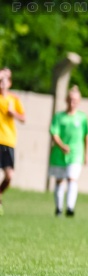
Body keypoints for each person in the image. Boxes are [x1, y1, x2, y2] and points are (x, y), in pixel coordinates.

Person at [48, 85, 88, 217]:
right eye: (70, 99)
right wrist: (61, 146)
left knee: (72, 179)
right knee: (60, 180)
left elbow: (86, 136)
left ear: (79, 101)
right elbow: (54, 133)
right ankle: (59, 208)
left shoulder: (82, 118)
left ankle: (70, 208)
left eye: (75, 100)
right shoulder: (59, 117)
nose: (72, 103)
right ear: (66, 100)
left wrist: (86, 154)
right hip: (59, 153)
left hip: (76, 153)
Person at [0, 67, 26, 216]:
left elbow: (23, 118)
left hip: (8, 141)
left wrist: (13, 113)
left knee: (9, 175)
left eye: (5, 80)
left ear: (9, 82)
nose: (2, 83)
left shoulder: (14, 99)